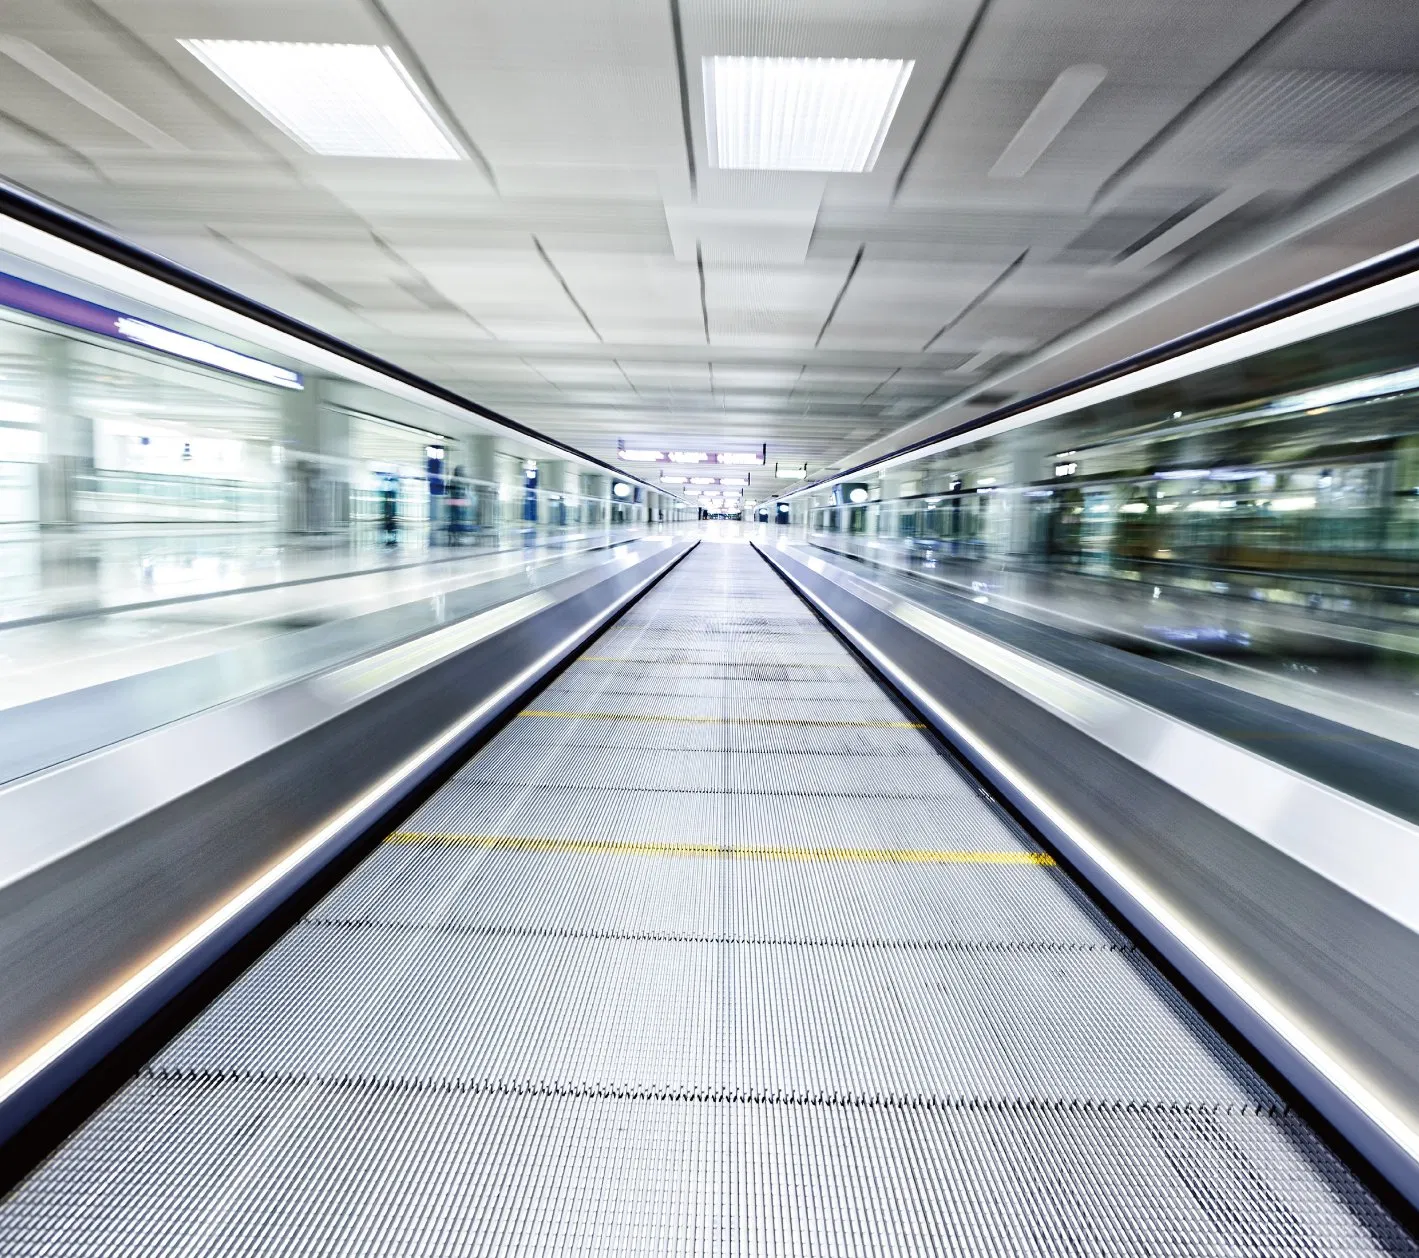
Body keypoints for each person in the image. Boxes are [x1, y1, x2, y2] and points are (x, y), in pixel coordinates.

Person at [380, 473, 398, 547]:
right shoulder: (390, 497)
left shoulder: (389, 497)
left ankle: (391, 541)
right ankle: (391, 541)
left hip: (390, 518)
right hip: (390, 518)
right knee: (390, 530)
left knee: (390, 530)